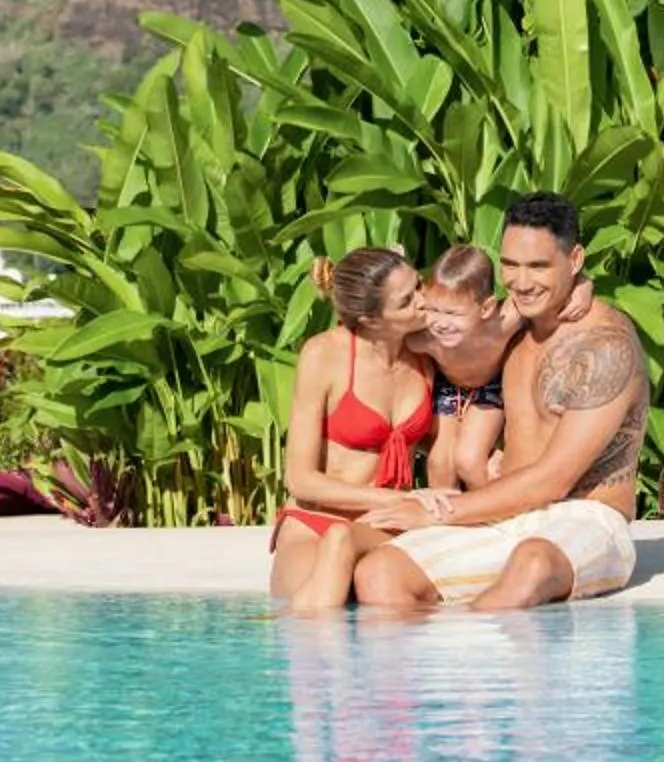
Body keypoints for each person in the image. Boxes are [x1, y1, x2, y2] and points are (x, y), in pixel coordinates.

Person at [349, 194, 644, 613]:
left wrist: (442, 512)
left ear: (575, 260)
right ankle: (443, 655)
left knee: (531, 563)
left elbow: (555, 480)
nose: (521, 282)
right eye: (510, 265)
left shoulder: (604, 345)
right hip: (506, 514)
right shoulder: (509, 323)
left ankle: (483, 650)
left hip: (585, 516)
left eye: (539, 266)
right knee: (379, 573)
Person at [268, 247, 435, 613]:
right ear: (370, 319)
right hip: (316, 521)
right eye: (407, 301)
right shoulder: (324, 355)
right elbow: (300, 479)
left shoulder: (428, 354)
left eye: (419, 285)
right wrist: (394, 499)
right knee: (311, 613)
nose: (424, 301)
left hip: (389, 527)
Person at [417, 243, 522, 492]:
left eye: (453, 313)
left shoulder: (503, 324)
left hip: (489, 388)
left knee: (469, 460)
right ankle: (444, 516)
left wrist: (582, 286)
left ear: (486, 308)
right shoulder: (423, 338)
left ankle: (490, 509)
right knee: (439, 464)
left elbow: (545, 292)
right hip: (448, 388)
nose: (441, 323)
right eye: (433, 309)